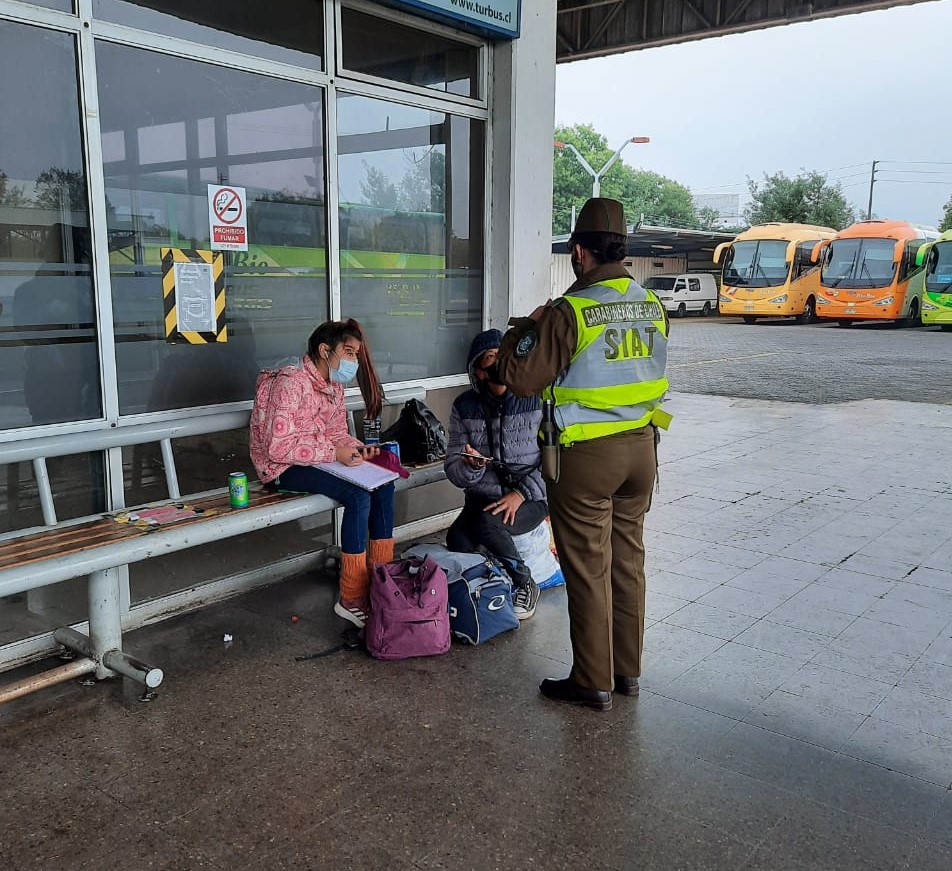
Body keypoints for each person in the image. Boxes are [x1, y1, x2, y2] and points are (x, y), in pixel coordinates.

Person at [496, 197, 671, 711]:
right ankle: (626, 673)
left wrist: (525, 329)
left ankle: (592, 680)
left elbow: (518, 377)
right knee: (627, 563)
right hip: (642, 451)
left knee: (589, 568)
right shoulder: (652, 304)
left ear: (578, 252)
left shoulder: (571, 311)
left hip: (587, 457)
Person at [250, 318, 391, 628]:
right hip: (281, 468)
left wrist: (362, 451)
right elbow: (277, 447)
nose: (354, 361)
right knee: (357, 496)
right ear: (325, 350)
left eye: (356, 354)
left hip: (319, 460)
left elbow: (336, 432)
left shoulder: (333, 385)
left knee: (383, 484)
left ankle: (382, 578)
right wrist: (333, 454)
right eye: (349, 352)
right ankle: (352, 595)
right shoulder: (291, 382)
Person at [443, 329, 547, 620]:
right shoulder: (464, 406)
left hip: (529, 498)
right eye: (491, 357)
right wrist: (471, 467)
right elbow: (452, 466)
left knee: (489, 525)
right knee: (457, 540)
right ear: (480, 371)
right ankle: (491, 579)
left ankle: (525, 582)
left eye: (505, 355)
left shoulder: (536, 397)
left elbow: (555, 458)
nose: (501, 362)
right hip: (482, 498)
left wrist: (521, 494)